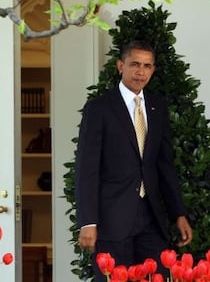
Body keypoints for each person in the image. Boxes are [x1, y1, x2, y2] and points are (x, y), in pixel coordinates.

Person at [74, 40, 193, 280]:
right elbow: (86, 169)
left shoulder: (158, 107)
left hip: (151, 219)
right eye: (135, 64)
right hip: (111, 220)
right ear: (120, 65)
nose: (141, 71)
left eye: (147, 66)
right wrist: (87, 221)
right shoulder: (99, 109)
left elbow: (164, 165)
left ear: (153, 70)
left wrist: (178, 213)